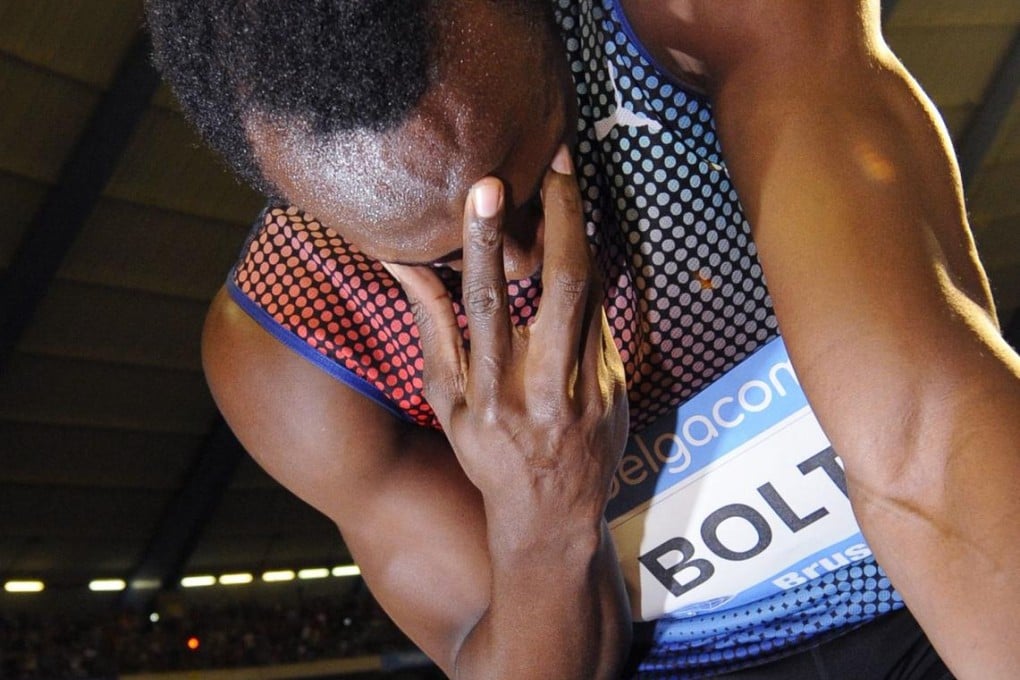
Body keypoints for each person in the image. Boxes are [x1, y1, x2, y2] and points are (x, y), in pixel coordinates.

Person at [145, 0, 1020, 677]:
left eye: (530, 189)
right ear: (300, 205)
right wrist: (542, 514)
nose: (521, 269)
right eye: (448, 261)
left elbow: (925, 447)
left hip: (929, 599)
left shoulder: (695, 22)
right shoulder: (290, 349)